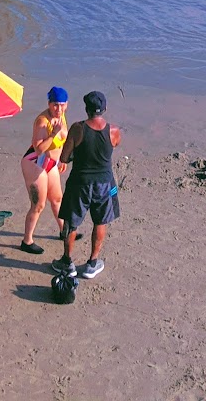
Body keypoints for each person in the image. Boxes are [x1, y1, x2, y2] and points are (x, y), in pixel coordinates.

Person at [57, 91, 122, 280]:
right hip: (104, 182)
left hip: (80, 182)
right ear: (105, 109)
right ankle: (92, 263)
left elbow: (64, 157)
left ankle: (67, 262)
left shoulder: (78, 129)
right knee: (100, 220)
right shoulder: (114, 131)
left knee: (72, 222)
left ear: (86, 109)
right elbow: (113, 146)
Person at [19, 87, 69, 254]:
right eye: (55, 105)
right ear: (49, 104)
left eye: (62, 105)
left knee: (57, 199)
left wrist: (62, 158)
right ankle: (27, 241)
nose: (59, 109)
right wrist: (53, 134)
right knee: (38, 205)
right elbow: (39, 149)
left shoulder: (61, 116)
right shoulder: (43, 121)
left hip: (51, 163)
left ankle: (64, 232)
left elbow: (63, 141)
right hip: (35, 163)